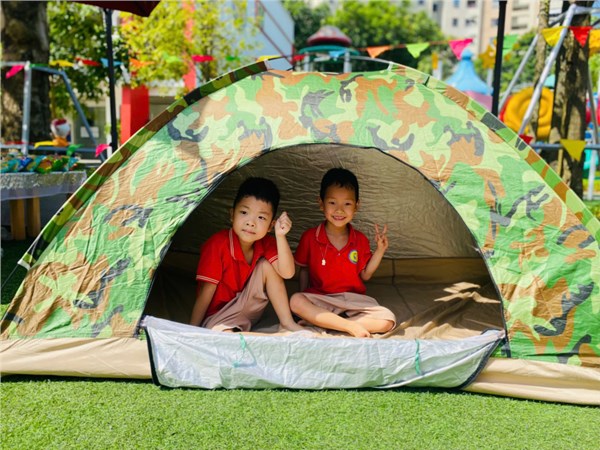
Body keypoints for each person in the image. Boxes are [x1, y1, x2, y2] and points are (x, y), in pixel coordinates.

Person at [290, 168, 396, 338]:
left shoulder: (360, 239)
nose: (339, 210)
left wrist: (380, 250)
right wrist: (305, 295)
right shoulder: (310, 237)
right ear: (321, 203)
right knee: (296, 301)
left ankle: (329, 322)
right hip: (322, 298)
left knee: (387, 320)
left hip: (353, 300)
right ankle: (348, 325)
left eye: (347, 204)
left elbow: (365, 275)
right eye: (332, 203)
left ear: (356, 206)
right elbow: (304, 270)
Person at [190, 177, 304, 333]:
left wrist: (280, 235)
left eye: (261, 217)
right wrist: (192, 330)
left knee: (266, 265)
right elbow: (205, 292)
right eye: (244, 212)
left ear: (270, 225)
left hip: (249, 308)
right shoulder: (217, 245)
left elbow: (288, 273)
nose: (251, 223)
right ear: (232, 214)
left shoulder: (266, 242)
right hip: (220, 315)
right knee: (224, 337)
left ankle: (287, 323)